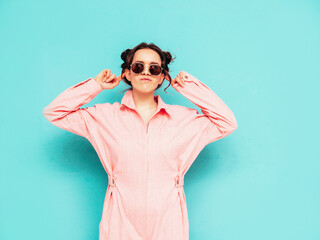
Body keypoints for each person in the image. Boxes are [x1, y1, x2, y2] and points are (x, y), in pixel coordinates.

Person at [42, 42, 238, 240]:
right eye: (138, 66)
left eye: (154, 68)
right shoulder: (103, 117)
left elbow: (227, 123)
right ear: (127, 73)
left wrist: (190, 87)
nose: (146, 72)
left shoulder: (184, 120)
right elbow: (54, 112)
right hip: (120, 222)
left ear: (162, 76)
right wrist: (95, 85)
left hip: (168, 223)